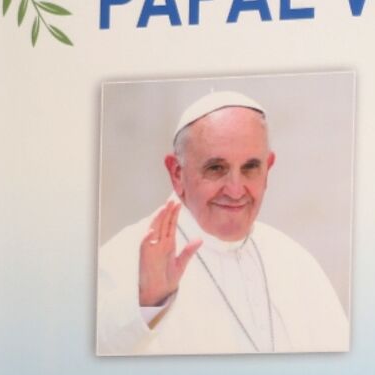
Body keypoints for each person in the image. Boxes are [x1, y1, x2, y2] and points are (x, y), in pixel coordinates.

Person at [96, 90, 349, 356]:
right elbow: (86, 365)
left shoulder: (296, 263)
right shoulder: (122, 258)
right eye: (216, 168)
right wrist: (146, 302)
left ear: (268, 169)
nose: (236, 190)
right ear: (177, 173)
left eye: (250, 167)